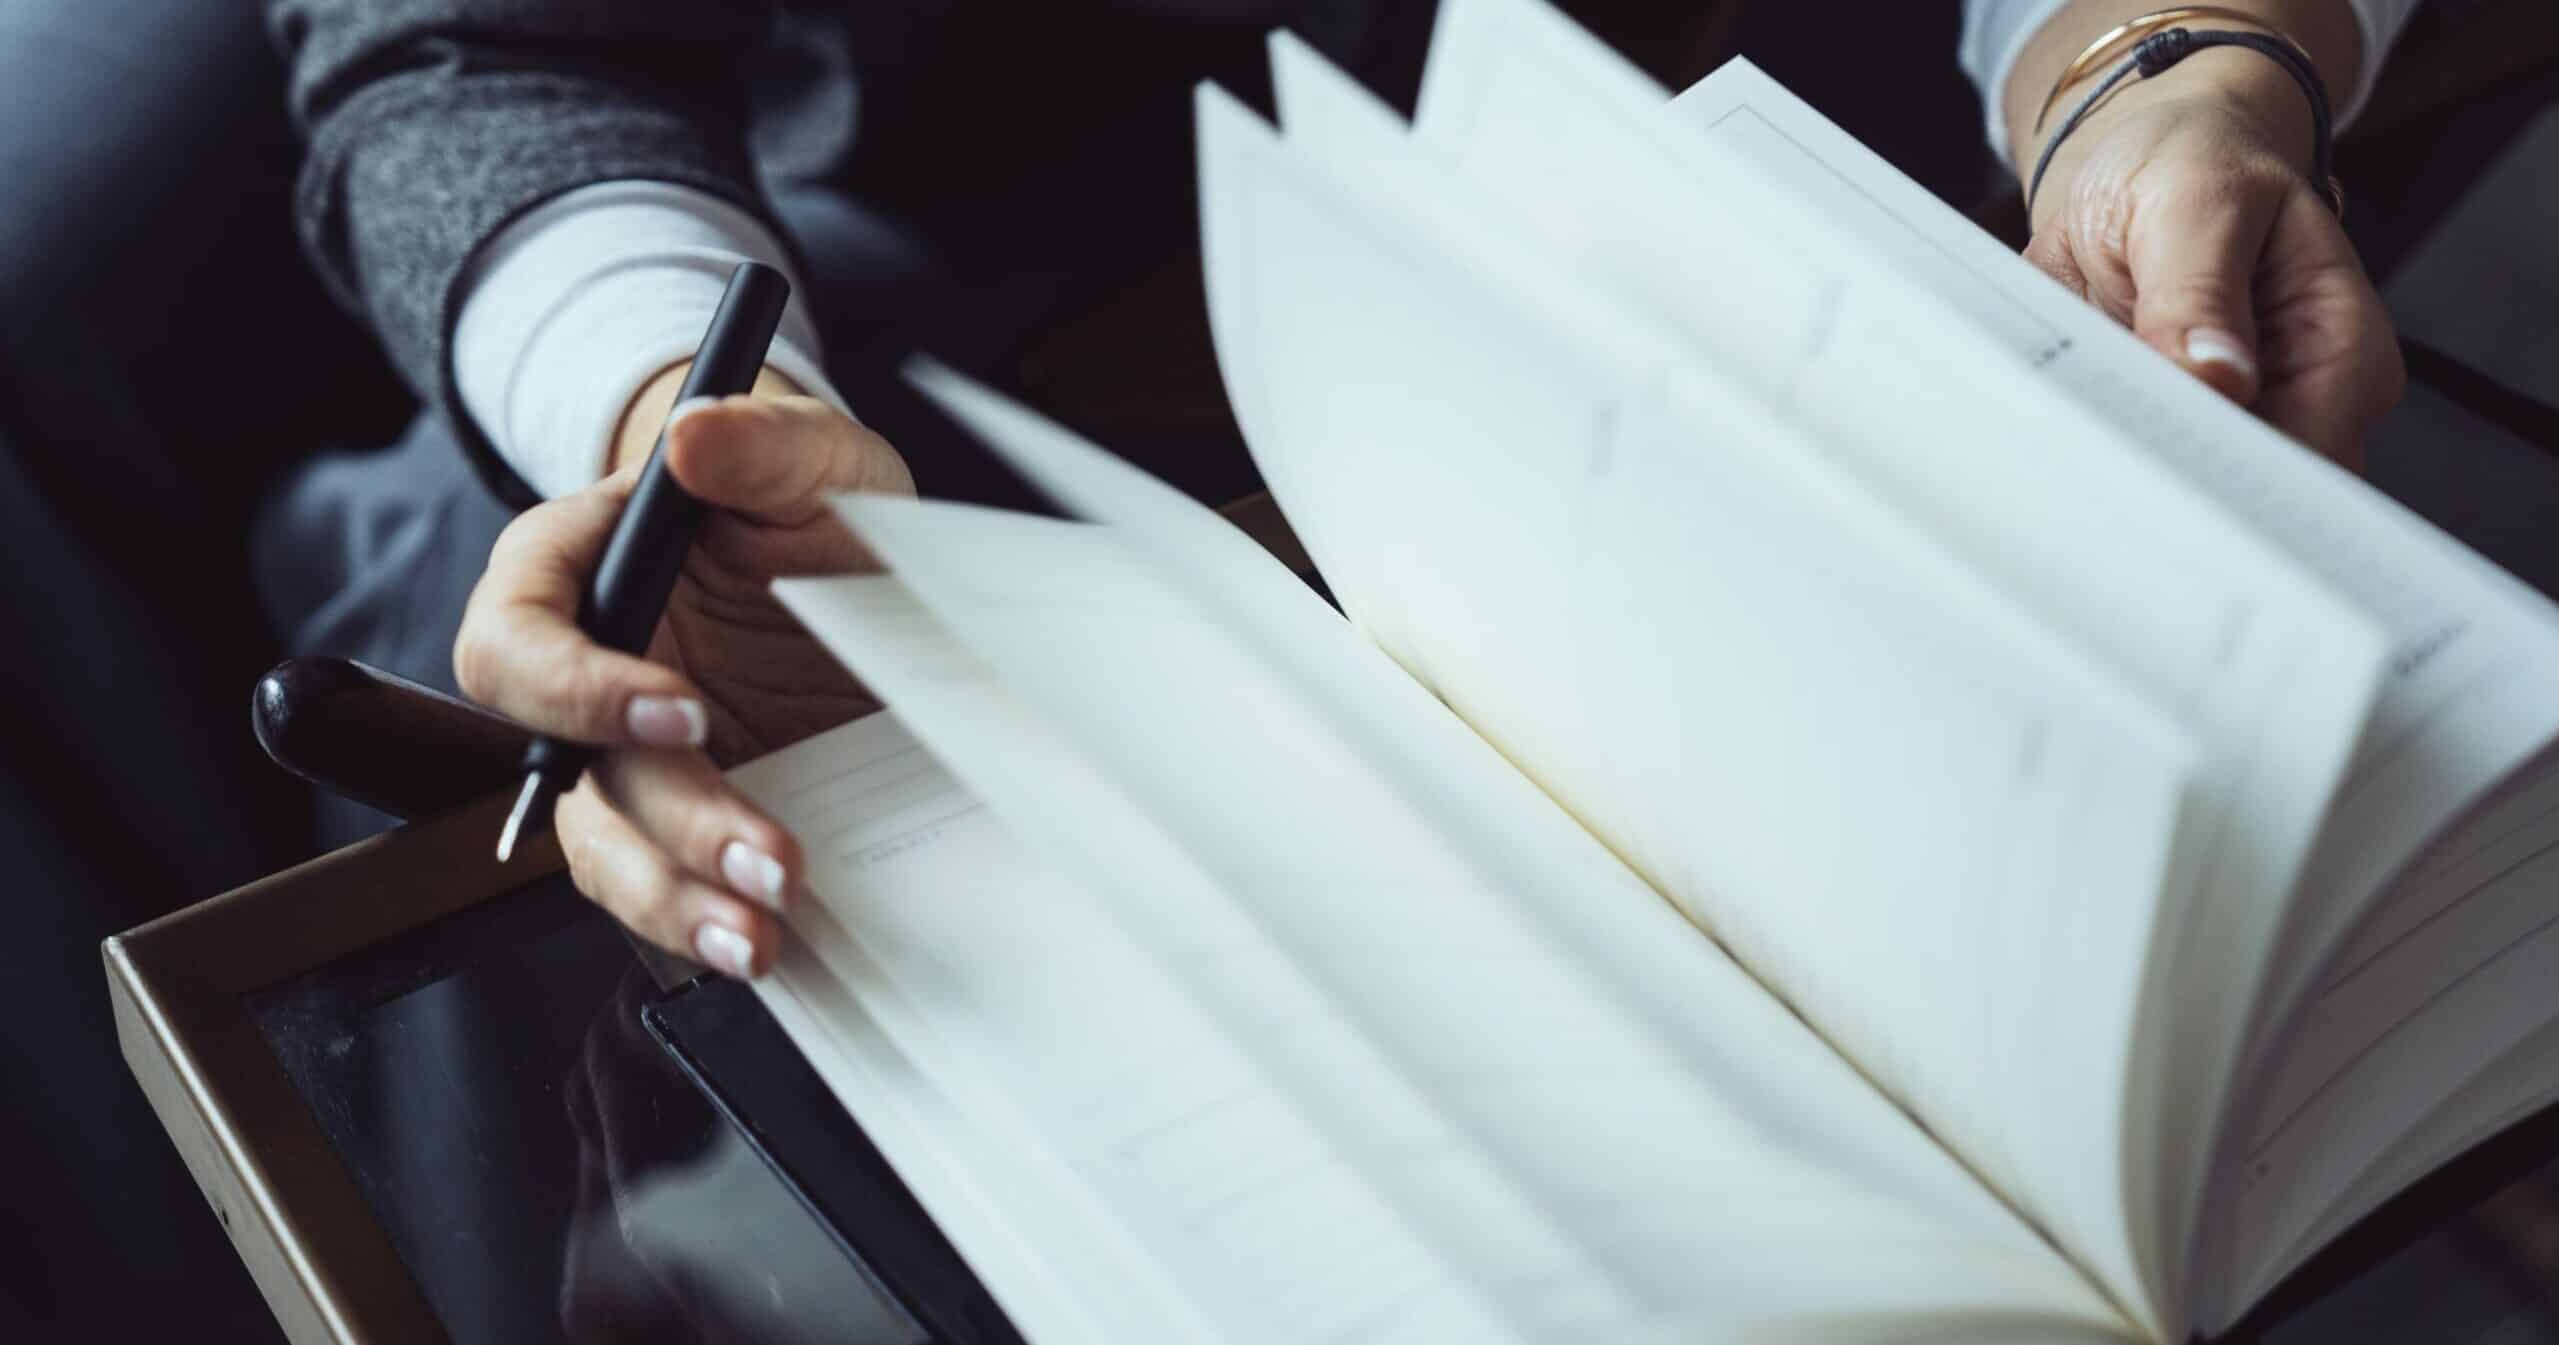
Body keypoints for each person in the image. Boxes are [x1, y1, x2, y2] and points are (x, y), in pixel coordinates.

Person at [270, 0, 2418, 982]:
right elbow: (470, 44)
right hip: (937, 235)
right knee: (499, 629)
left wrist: (2161, 50)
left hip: (1772, 191)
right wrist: (684, 424)